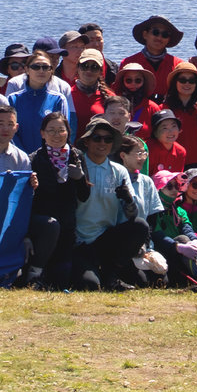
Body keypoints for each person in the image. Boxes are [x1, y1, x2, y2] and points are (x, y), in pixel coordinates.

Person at [71, 117, 153, 291]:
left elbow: (132, 215)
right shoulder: (77, 167)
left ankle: (111, 273)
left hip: (107, 239)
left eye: (108, 139)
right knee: (90, 285)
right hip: (79, 241)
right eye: (97, 138)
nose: (102, 143)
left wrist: (128, 200)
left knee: (140, 226)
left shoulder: (119, 171)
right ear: (86, 141)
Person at [23, 110, 84, 287]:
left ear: (68, 132)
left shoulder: (77, 156)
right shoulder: (34, 159)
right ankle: (34, 273)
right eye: (51, 130)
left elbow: (84, 196)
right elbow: (27, 200)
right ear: (42, 133)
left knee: (62, 281)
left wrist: (80, 179)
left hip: (68, 227)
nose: (56, 135)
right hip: (44, 227)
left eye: (61, 130)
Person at [7, 51, 71, 151]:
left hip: (49, 156)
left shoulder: (59, 100)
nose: (41, 71)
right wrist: (23, 155)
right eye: (36, 67)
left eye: (45, 67)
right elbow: (9, 131)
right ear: (27, 70)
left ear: (51, 71)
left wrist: (44, 155)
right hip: (19, 157)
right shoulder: (13, 99)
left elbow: (62, 133)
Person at [122, 15, 186, 97]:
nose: (159, 37)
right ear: (145, 34)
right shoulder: (128, 63)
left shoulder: (178, 65)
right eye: (155, 32)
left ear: (168, 39)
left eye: (165, 34)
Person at [0, 100, 32, 173]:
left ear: (16, 128)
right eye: (0, 124)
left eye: (10, 124)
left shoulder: (21, 158)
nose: (5, 129)